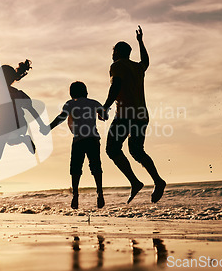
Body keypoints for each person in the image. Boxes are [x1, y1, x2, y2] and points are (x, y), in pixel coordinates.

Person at [0, 49, 48, 199]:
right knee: (9, 143)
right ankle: (24, 140)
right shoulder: (17, 92)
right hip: (18, 125)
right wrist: (41, 125)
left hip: (5, 125)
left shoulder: (0, 92)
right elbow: (31, 109)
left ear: (1, 79)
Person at [101, 25, 166, 204]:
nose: (112, 55)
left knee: (112, 149)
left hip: (125, 115)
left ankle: (135, 182)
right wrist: (141, 42)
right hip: (141, 115)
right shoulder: (137, 67)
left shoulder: (117, 66)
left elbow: (115, 86)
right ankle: (158, 181)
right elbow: (146, 61)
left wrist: (106, 106)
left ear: (116, 53)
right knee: (137, 150)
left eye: (113, 52)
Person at [47, 81, 108, 209]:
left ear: (71, 93)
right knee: (96, 165)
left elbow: (62, 117)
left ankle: (75, 195)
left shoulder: (70, 104)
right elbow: (105, 115)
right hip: (93, 139)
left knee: (75, 168)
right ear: (86, 92)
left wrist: (49, 127)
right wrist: (102, 115)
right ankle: (100, 193)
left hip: (78, 140)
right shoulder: (93, 103)